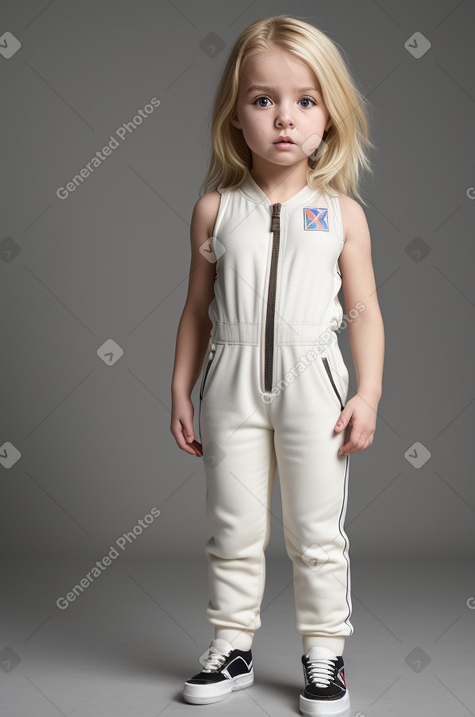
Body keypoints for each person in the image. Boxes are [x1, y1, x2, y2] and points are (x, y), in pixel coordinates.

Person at [170, 14, 384, 715]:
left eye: (305, 100)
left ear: (330, 116)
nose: (283, 118)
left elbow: (365, 311)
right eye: (263, 100)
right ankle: (231, 647)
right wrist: (181, 385)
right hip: (228, 386)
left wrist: (369, 392)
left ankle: (325, 656)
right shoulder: (214, 211)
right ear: (236, 116)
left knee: (317, 531)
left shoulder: (342, 214)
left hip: (314, 387)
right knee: (233, 524)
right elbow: (198, 309)